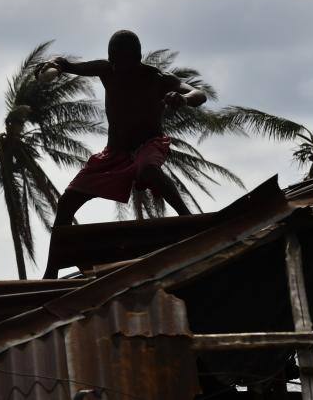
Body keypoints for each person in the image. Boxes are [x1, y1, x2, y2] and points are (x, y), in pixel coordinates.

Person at [40, 30, 207, 279]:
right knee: (67, 202)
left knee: (148, 169)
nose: (121, 71)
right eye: (116, 63)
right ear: (111, 59)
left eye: (126, 65)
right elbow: (67, 65)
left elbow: (198, 94)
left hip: (149, 145)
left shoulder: (157, 78)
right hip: (114, 154)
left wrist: (182, 99)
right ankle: (51, 271)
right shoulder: (106, 70)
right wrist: (53, 65)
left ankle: (190, 222)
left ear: (138, 59)